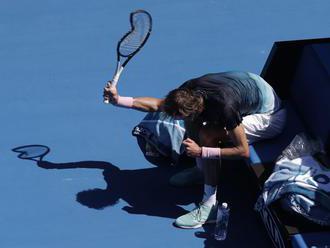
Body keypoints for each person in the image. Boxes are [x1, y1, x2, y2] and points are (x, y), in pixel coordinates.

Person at [103, 71, 286, 229]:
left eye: (177, 115)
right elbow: (158, 105)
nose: (172, 118)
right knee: (193, 123)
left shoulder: (225, 107)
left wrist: (201, 152)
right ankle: (202, 170)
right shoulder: (188, 91)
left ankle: (209, 208)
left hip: (270, 115)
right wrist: (118, 100)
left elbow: (242, 151)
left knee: (208, 135)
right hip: (251, 91)